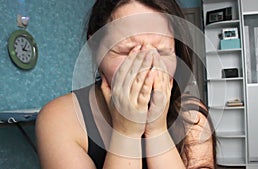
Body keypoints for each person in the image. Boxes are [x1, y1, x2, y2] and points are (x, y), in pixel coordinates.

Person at [35, 0, 216, 169]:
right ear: (95, 49)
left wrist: (157, 131)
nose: (147, 65)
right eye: (127, 51)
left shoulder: (192, 116)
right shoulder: (60, 118)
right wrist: (126, 133)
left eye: (162, 51)